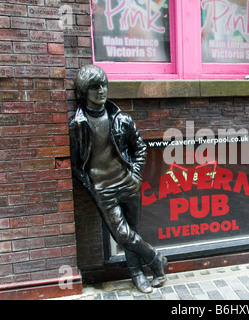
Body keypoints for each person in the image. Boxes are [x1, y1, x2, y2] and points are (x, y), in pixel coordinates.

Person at [69, 64, 167, 294]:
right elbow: (75, 164)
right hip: (103, 189)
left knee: (131, 232)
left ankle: (137, 275)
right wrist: (91, 187)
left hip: (128, 183)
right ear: (83, 92)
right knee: (122, 234)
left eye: (104, 85)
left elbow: (140, 148)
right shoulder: (78, 125)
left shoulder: (121, 119)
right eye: (95, 87)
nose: (101, 91)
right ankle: (157, 260)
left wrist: (135, 175)